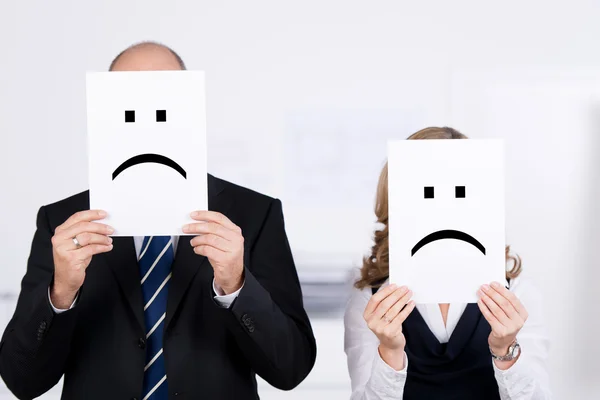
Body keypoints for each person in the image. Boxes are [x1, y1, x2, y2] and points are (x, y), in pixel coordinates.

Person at [0, 42, 316, 400]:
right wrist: (61, 293)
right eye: (128, 96)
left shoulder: (254, 214)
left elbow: (291, 369)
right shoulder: (62, 223)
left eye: (163, 93)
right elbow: (21, 381)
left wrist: (237, 285)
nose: (147, 108)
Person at [344, 127, 551, 399]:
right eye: (426, 192)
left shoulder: (518, 295)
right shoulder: (371, 301)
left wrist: (506, 349)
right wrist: (390, 352)